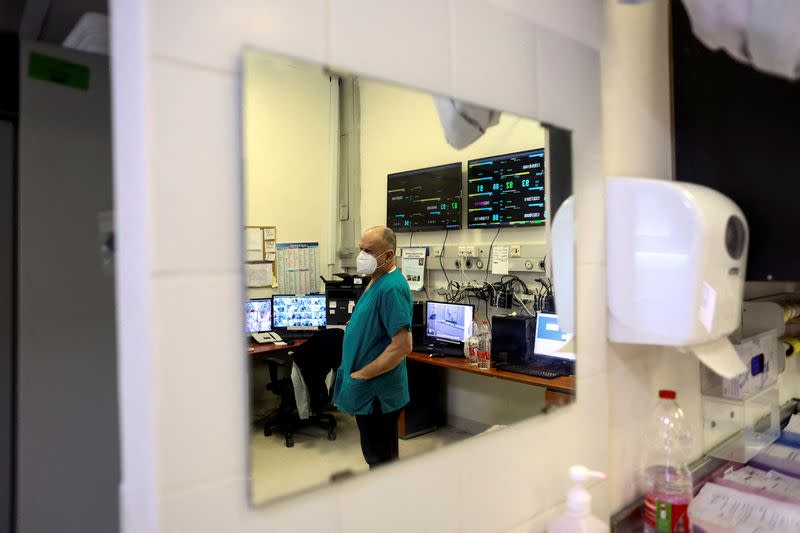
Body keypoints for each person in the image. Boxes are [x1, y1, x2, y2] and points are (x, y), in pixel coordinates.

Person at [333, 226, 413, 469]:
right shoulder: (376, 281)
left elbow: (402, 346)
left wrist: (362, 374)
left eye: (368, 251)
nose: (361, 256)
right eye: (360, 249)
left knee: (382, 462)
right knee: (375, 456)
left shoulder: (391, 288)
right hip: (367, 388)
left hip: (377, 392)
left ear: (388, 256)